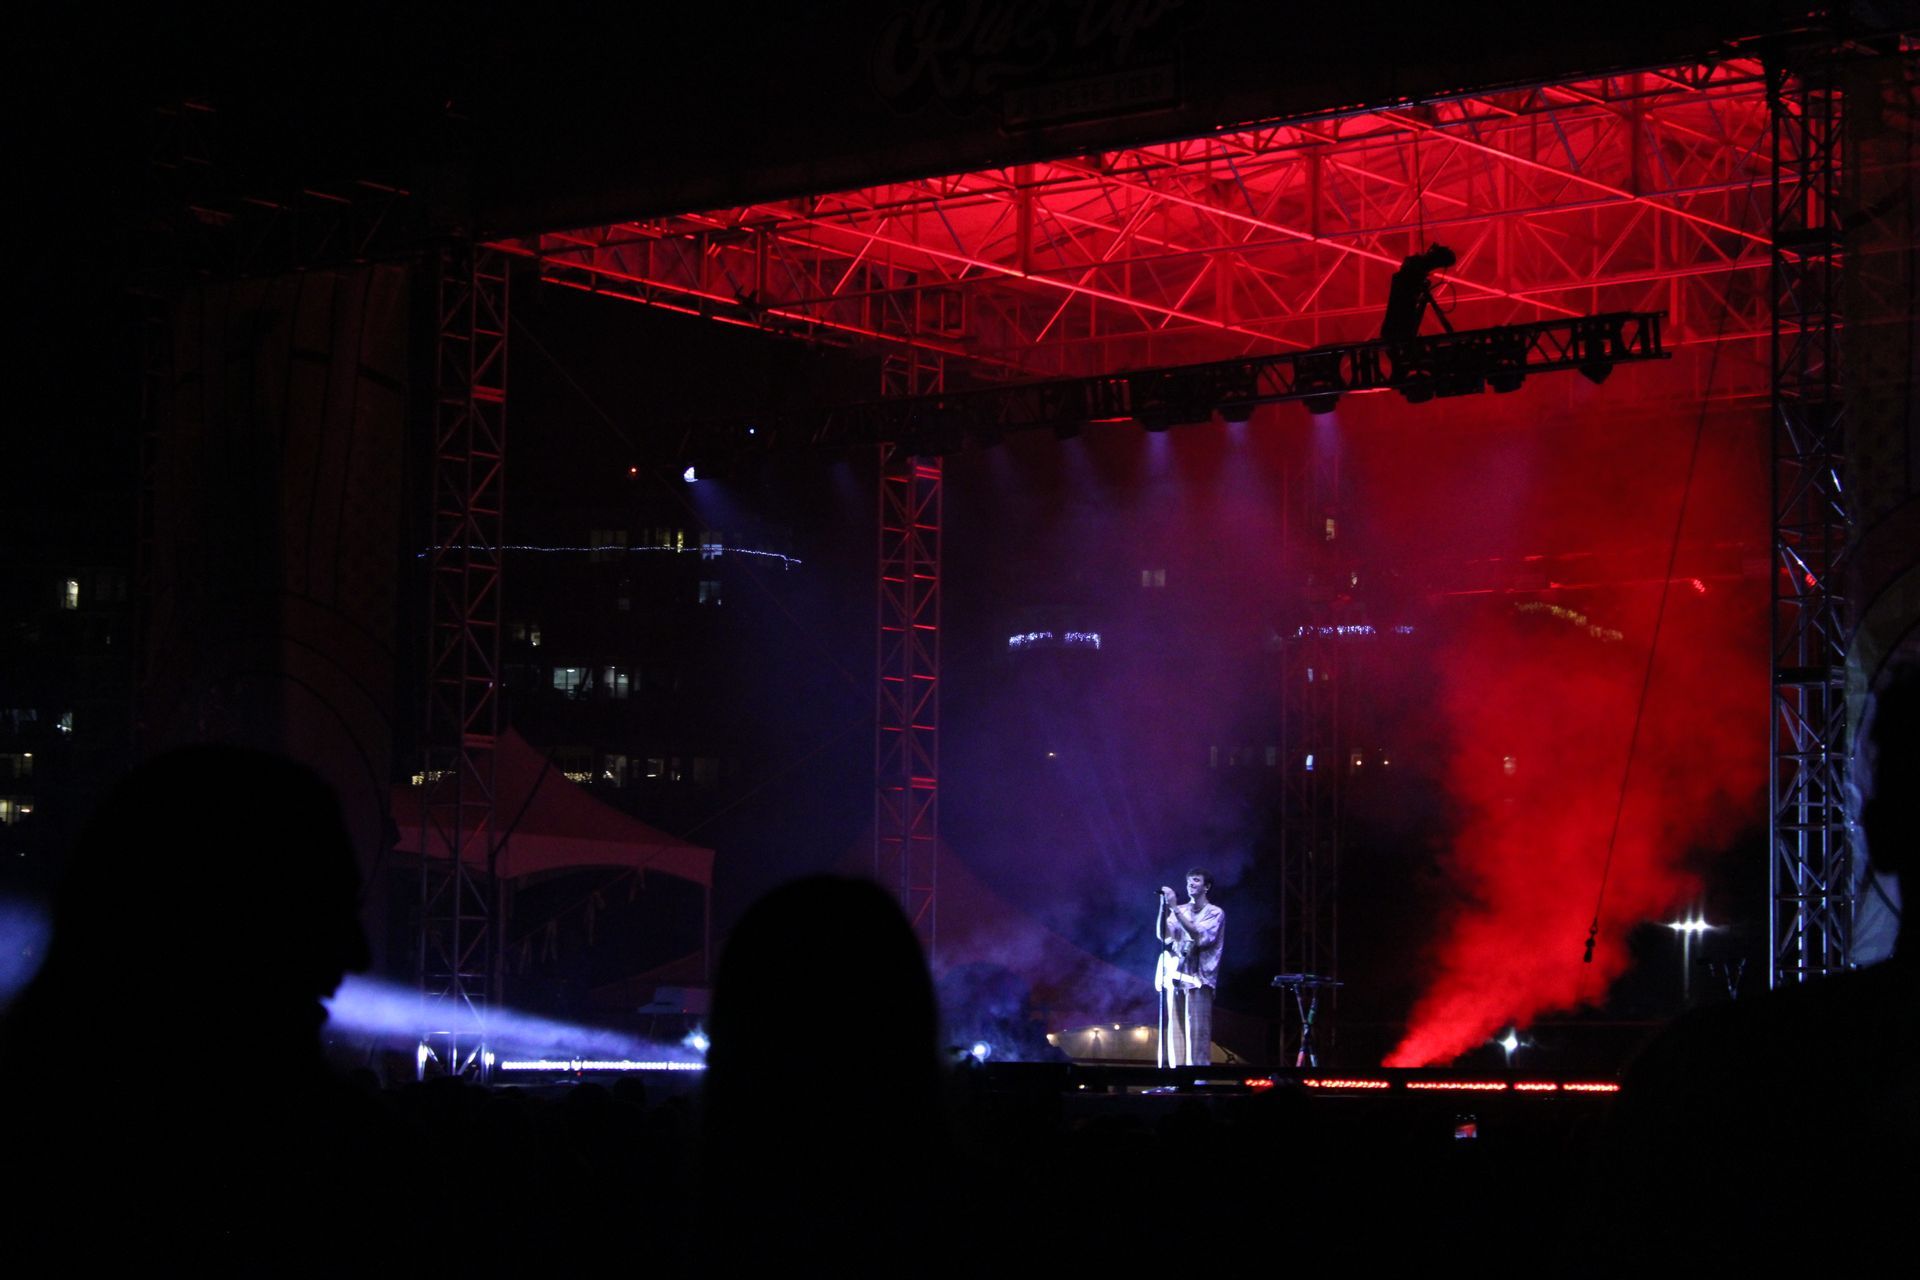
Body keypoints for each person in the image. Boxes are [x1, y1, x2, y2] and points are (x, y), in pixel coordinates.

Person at [1156, 868, 1225, 1067]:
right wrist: (1164, 909)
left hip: (1199, 978)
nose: (1191, 884)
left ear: (1207, 886)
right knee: (1175, 1030)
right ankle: (1176, 1075)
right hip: (1177, 976)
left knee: (1197, 1031)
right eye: (1189, 881)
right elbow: (1164, 935)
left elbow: (1198, 936)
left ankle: (1199, 1077)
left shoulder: (1215, 913)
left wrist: (1175, 909)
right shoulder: (1182, 910)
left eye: (1196, 881)